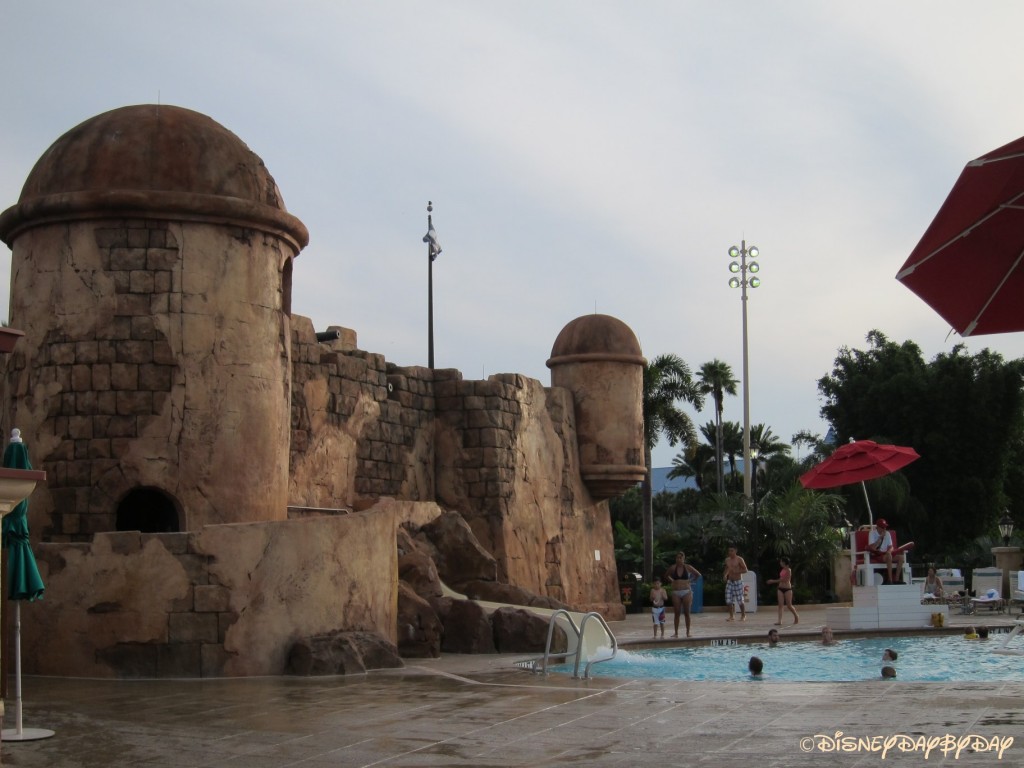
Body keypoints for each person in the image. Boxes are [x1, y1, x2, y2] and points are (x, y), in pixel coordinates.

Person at [664, 552, 702, 638]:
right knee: (677, 613)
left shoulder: (688, 567)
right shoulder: (673, 568)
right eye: (677, 558)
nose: (679, 559)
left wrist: (691, 581)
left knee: (687, 613)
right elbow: (666, 576)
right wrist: (672, 581)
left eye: (680, 558)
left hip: (686, 592)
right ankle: (676, 633)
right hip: (676, 592)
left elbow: (698, 574)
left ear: (683, 559)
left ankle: (688, 632)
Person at [867, 518, 914, 584]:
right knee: (889, 556)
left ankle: (896, 580)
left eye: (885, 527)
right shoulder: (872, 533)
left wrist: (889, 551)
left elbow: (891, 547)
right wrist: (880, 538)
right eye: (882, 527)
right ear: (878, 527)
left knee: (901, 558)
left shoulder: (887, 534)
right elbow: (873, 548)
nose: (884, 529)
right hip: (877, 555)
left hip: (886, 554)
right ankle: (890, 580)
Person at [766, 556, 800, 626]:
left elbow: (785, 579)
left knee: (789, 605)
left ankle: (796, 616)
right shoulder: (782, 570)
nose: (780, 563)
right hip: (780, 588)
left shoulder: (788, 570)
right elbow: (781, 578)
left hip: (787, 589)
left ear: (784, 562)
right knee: (780, 605)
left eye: (781, 561)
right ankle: (779, 620)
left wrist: (773, 581)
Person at [723, 546, 749, 622]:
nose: (730, 552)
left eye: (732, 550)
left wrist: (736, 571)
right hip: (730, 581)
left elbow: (745, 570)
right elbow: (727, 568)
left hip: (738, 581)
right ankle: (731, 616)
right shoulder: (727, 560)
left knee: (740, 599)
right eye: (729, 551)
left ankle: (743, 615)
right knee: (728, 599)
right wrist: (725, 575)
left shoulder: (739, 559)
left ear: (735, 551)